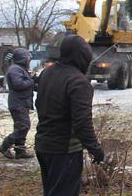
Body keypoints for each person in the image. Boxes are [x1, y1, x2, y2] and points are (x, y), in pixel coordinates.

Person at [35, 34, 105, 196]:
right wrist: (95, 149)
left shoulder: (47, 72)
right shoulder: (78, 82)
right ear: (83, 56)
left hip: (43, 146)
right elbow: (82, 123)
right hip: (64, 151)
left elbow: (38, 105)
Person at [0, 48, 35, 159]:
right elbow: (19, 84)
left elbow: (28, 84)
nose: (29, 59)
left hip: (22, 102)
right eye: (28, 57)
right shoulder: (15, 69)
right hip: (18, 103)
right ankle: (5, 146)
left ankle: (20, 151)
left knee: (21, 126)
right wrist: (32, 81)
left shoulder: (21, 69)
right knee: (23, 126)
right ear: (24, 58)